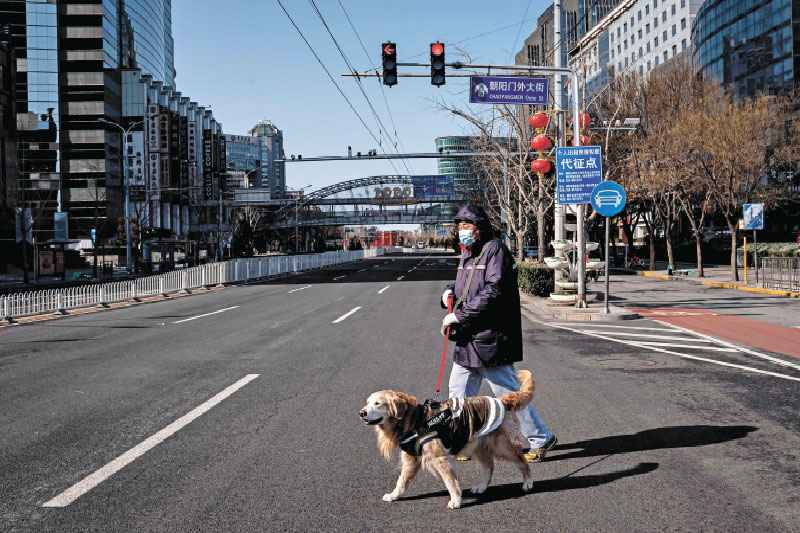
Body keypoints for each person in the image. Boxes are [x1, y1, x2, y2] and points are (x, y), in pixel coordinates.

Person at [440, 204, 557, 462]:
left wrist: (459, 315)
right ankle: (464, 440)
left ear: (479, 228)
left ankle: (541, 438)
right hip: (468, 339)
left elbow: (494, 291)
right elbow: (464, 285)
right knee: (457, 394)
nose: (462, 231)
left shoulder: (495, 251)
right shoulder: (468, 253)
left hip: (490, 340)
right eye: (459, 226)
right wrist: (448, 293)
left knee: (508, 396)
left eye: (467, 226)